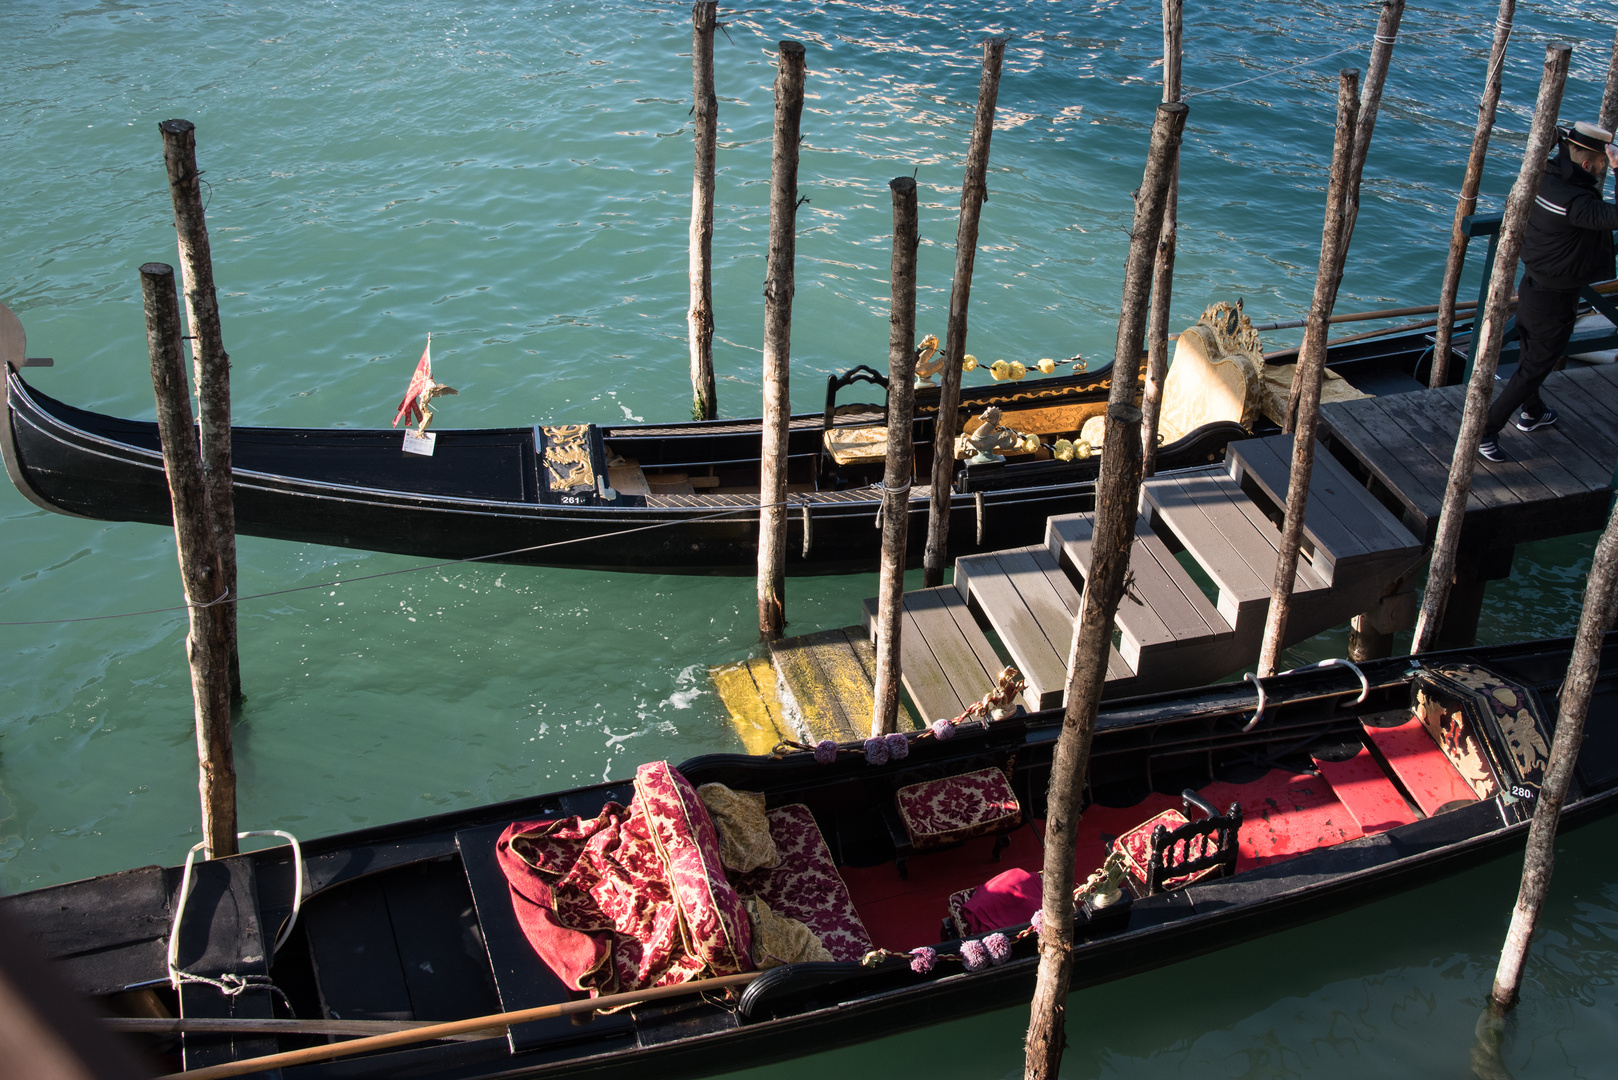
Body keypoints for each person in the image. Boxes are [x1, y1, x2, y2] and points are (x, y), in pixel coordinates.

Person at [1479, 121, 1618, 462]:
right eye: (1603, 163)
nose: (1604, 168)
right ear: (1588, 165)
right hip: (1554, 297)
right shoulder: (1577, 203)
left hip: (1533, 284)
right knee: (1535, 367)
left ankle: (1533, 411)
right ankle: (1486, 429)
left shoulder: (1544, 177)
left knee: (1531, 353)